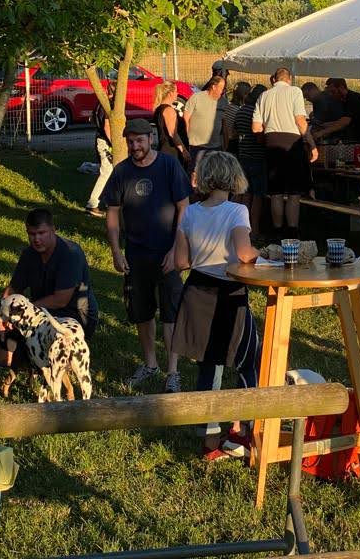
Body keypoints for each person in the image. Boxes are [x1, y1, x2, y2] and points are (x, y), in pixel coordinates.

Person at [172, 151, 260, 461]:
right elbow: (245, 253)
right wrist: (267, 255)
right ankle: (247, 429)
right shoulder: (237, 210)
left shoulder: (190, 213)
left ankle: (209, 442)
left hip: (196, 291)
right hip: (229, 294)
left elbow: (181, 261)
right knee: (249, 359)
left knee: (209, 366)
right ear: (234, 176)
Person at [102, 117, 191, 392]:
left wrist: (176, 249)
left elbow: (184, 207)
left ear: (150, 139)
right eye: (130, 142)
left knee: (171, 313)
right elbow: (112, 213)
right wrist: (116, 251)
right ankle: (150, 363)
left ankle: (172, 371)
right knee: (141, 312)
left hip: (167, 253)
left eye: (139, 141)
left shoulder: (169, 165)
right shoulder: (121, 172)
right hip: (136, 255)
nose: (134, 146)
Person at [0, 207, 99, 361]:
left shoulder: (70, 254)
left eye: (41, 233)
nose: (36, 239)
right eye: (32, 234)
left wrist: (23, 311)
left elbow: (60, 300)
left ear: (53, 230)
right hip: (42, 312)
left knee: (51, 349)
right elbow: (13, 289)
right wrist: (1, 317)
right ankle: (14, 357)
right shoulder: (29, 255)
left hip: (75, 316)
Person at [252, 68, 317, 231]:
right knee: (294, 193)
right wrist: (312, 144)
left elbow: (256, 128)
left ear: (274, 80)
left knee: (276, 192)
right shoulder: (295, 91)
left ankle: (277, 231)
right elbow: (300, 121)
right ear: (289, 79)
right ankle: (292, 232)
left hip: (271, 143)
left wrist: (266, 138)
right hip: (292, 143)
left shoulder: (263, 95)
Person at [234, 84, 268, 236]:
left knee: (246, 194)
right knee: (258, 196)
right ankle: (255, 230)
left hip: (243, 156)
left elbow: (235, 132)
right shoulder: (256, 112)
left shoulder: (241, 111)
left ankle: (243, 227)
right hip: (257, 157)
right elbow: (259, 136)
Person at [314, 78, 360, 146]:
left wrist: (322, 132)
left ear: (341, 87)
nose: (331, 95)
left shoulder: (354, 98)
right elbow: (341, 121)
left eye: (333, 92)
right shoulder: (343, 99)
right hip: (356, 139)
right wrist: (324, 125)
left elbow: (344, 122)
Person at [184, 75, 226, 168]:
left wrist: (225, 144)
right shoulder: (196, 98)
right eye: (222, 88)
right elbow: (186, 118)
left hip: (215, 146)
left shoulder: (223, 102)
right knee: (196, 171)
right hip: (197, 145)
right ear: (214, 87)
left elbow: (224, 123)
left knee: (214, 172)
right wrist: (187, 137)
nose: (223, 91)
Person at [85, 83, 115, 216]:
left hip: (100, 139)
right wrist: (113, 143)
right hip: (105, 142)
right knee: (106, 173)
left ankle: (110, 201)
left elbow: (93, 119)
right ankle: (92, 204)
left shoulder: (100, 104)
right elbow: (107, 126)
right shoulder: (108, 105)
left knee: (110, 173)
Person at [153, 81, 190, 169]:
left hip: (164, 149)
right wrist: (184, 151)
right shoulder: (169, 110)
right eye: (176, 91)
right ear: (170, 94)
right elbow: (172, 133)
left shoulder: (158, 109)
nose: (177, 94)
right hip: (171, 151)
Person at [221, 80, 251, 155]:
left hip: (224, 140)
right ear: (244, 95)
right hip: (232, 143)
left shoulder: (228, 106)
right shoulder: (239, 110)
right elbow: (235, 132)